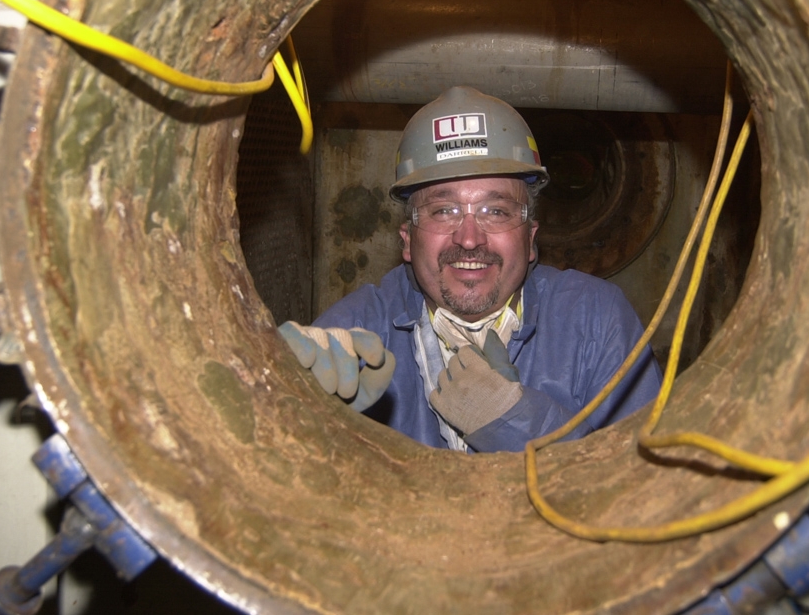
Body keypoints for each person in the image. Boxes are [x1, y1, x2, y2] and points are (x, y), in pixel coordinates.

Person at [279, 86, 661, 452]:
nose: (469, 238)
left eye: (496, 211)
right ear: (407, 240)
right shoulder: (357, 330)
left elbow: (642, 491)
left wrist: (514, 421)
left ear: (531, 238)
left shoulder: (596, 320)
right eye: (444, 210)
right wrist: (286, 398)